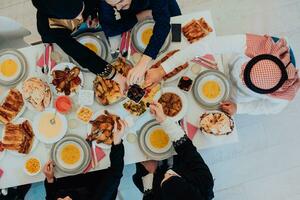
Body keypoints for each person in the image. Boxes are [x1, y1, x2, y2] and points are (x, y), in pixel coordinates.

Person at [145, 34, 300, 115]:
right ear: (254, 58)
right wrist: (163, 69)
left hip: (235, 96)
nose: (240, 77)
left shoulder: (281, 96)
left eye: (245, 81)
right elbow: (205, 46)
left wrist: (239, 108)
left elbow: (266, 108)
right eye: (243, 71)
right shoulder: (252, 45)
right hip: (224, 65)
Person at [31, 0, 127, 92]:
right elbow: (82, 55)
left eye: (82, 11)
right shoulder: (51, 28)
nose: (81, 18)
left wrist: (92, 14)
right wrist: (116, 76)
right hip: (57, 36)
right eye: (77, 16)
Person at [132, 102, 214, 200]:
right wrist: (164, 120)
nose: (168, 173)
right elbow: (188, 149)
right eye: (171, 175)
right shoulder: (205, 182)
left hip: (154, 179)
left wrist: (151, 173)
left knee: (136, 149)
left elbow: (149, 195)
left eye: (166, 177)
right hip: (183, 163)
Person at [99, 0, 181, 85]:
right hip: (134, 16)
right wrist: (139, 16)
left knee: (178, 42)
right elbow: (110, 30)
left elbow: (163, 24)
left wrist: (143, 63)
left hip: (165, 8)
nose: (118, 8)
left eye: (120, 1)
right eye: (113, 6)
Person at [43, 120, 127, 200]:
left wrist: (50, 179)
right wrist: (117, 142)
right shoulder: (101, 197)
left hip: (65, 178)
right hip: (93, 177)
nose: (61, 198)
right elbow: (116, 172)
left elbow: (50, 195)